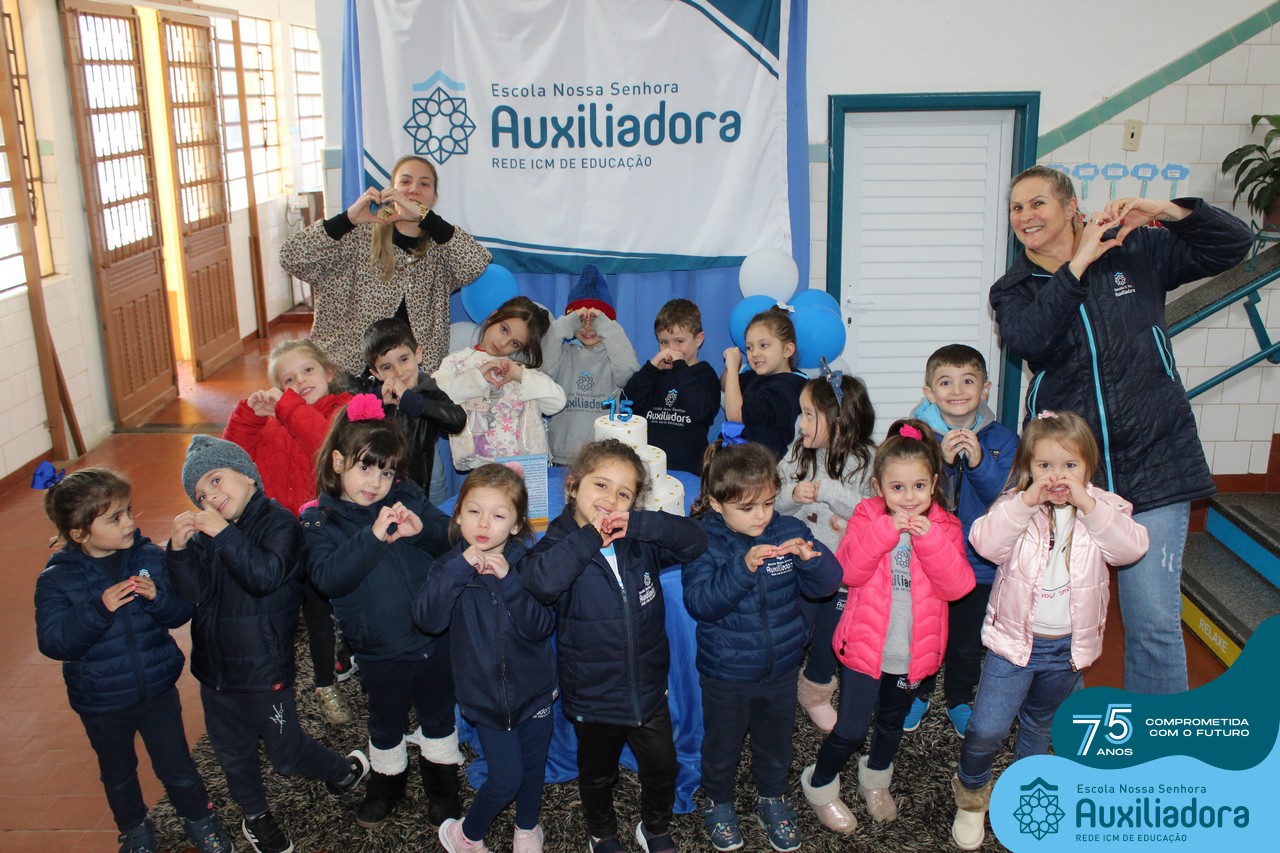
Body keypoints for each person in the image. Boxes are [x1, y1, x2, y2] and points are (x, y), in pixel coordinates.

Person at [989, 166, 1251, 695]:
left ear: (1071, 206)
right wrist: (1078, 265)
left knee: (1153, 621)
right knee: (1058, 622)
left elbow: (1234, 245)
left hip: (1157, 459)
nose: (1025, 216)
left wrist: (1167, 211)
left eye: (1037, 203)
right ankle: (1067, 730)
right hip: (1068, 476)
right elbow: (1032, 339)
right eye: (1017, 207)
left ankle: (1156, 736)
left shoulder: (1135, 250)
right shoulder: (1013, 289)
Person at [950, 411, 1149, 850]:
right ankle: (971, 797)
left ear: (1088, 468)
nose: (1057, 477)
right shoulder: (1015, 505)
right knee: (985, 729)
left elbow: (1131, 548)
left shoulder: (1106, 509)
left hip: (1069, 650)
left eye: (1069, 465)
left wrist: (1090, 507)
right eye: (1044, 465)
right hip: (1013, 646)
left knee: (1040, 725)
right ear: (1028, 467)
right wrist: (1025, 502)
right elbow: (984, 543)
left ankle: (1024, 792)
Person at [167, 436, 369, 853]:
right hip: (214, 670)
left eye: (216, 480)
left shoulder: (280, 523)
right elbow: (194, 593)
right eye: (200, 495)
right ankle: (255, 815)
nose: (210, 497)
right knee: (232, 752)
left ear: (248, 476)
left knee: (286, 752)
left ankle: (339, 770)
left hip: (264, 667)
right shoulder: (209, 533)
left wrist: (223, 534)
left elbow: (264, 576)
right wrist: (179, 550)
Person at [35, 468, 235, 853]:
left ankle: (200, 818)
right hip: (101, 702)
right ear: (79, 534)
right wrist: (97, 610)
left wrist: (158, 597)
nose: (129, 522)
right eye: (115, 518)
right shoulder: (57, 579)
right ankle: (134, 829)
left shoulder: (148, 557)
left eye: (128, 511)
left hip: (156, 691)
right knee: (118, 775)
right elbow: (54, 641)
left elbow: (179, 613)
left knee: (177, 765)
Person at [522, 439, 708, 853]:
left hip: (647, 690)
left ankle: (654, 827)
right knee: (597, 774)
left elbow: (695, 541)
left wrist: (639, 525)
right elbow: (542, 582)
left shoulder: (637, 541)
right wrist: (590, 536)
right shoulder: (557, 544)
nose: (610, 500)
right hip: (593, 695)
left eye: (623, 494)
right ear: (573, 486)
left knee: (663, 768)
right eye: (600, 485)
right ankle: (601, 833)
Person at [801, 420, 973, 836]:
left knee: (891, 725)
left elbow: (958, 587)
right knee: (851, 728)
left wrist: (930, 541)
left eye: (919, 486)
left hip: (912, 654)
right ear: (879, 488)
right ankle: (820, 784)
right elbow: (848, 572)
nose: (909, 498)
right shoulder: (867, 516)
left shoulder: (945, 527)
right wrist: (883, 531)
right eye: (897, 488)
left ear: (933, 485)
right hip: (865, 648)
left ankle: (876, 778)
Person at [301, 397, 460, 830]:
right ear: (338, 462)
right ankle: (387, 784)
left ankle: (443, 787)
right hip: (380, 649)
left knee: (439, 716)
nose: (376, 482)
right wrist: (371, 538)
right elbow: (328, 578)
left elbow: (451, 538)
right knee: (385, 721)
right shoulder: (320, 521)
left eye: (386, 472)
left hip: (435, 636)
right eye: (365, 468)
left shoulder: (407, 495)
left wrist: (422, 531)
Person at [685, 441, 842, 852]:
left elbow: (829, 584)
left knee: (776, 743)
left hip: (782, 667)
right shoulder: (703, 540)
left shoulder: (790, 530)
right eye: (747, 507)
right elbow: (700, 602)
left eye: (769, 503)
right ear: (716, 504)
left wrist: (811, 560)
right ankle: (718, 800)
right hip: (726, 671)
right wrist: (743, 568)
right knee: (722, 744)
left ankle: (772, 796)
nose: (761, 515)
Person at [415, 464, 557, 853]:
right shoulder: (447, 567)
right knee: (506, 778)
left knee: (533, 768)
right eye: (474, 511)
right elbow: (427, 620)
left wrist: (511, 582)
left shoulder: (526, 565)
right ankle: (465, 835)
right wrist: (458, 571)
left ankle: (526, 828)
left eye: (498, 515)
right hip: (486, 698)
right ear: (458, 514)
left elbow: (540, 626)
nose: (483, 523)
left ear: (516, 525)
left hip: (536, 691)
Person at [222, 337, 355, 726]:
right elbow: (232, 461)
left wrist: (288, 406)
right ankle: (306, 683)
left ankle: (335, 673)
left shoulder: (345, 411)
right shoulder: (273, 421)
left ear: (328, 373)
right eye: (288, 380)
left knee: (331, 608)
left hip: (328, 535)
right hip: (281, 539)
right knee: (292, 614)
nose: (300, 383)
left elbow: (326, 448)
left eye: (307, 371)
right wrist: (249, 415)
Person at [279, 155, 492, 382]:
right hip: (347, 372)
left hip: (414, 376)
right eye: (405, 182)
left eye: (424, 184)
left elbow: (477, 263)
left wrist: (426, 218)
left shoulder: (441, 248)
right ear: (391, 191)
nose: (414, 190)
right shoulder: (358, 235)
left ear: (434, 197)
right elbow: (291, 257)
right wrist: (347, 219)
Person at [904, 344, 1019, 737]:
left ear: (985, 389)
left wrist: (980, 462)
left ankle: (959, 698)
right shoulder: (915, 437)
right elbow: (911, 495)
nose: (957, 391)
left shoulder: (1004, 439)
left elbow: (1004, 497)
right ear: (929, 391)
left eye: (968, 381)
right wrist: (942, 462)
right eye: (946, 382)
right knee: (922, 633)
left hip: (979, 564)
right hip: (926, 560)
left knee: (967, 641)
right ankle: (917, 692)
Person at [775, 367, 877, 734]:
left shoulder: (866, 460)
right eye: (801, 413)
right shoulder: (798, 452)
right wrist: (792, 495)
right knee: (791, 631)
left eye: (808, 415)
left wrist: (830, 491)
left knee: (829, 640)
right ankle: (778, 687)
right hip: (798, 567)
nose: (800, 423)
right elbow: (773, 503)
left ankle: (815, 692)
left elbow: (872, 512)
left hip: (843, 575)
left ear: (838, 424)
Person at [434, 296, 565, 469]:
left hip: (521, 468)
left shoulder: (518, 371)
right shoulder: (456, 362)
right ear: (493, 317)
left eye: (514, 343)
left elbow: (557, 402)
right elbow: (437, 401)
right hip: (480, 466)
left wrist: (519, 374)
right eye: (504, 329)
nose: (503, 343)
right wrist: (476, 378)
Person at [542, 264, 640, 465]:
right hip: (563, 456)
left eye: (594, 320)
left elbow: (628, 377)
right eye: (581, 320)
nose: (587, 328)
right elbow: (543, 373)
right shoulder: (563, 353)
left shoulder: (617, 355)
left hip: (606, 457)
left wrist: (604, 324)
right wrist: (565, 325)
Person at [362, 317, 466, 502]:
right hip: (384, 487)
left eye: (403, 360)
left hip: (427, 489)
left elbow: (457, 420)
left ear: (417, 354)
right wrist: (377, 402)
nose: (399, 372)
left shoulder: (428, 391)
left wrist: (415, 403)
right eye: (387, 367)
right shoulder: (374, 397)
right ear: (376, 373)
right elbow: (352, 431)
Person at [623, 298, 721, 475]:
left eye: (679, 341)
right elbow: (626, 405)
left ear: (699, 339)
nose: (671, 349)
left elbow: (702, 412)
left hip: (689, 470)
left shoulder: (705, 374)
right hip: (648, 468)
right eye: (664, 342)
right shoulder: (654, 374)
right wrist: (650, 369)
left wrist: (681, 368)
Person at [722, 305, 808, 460]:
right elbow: (725, 385)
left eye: (764, 345)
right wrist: (730, 369)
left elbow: (735, 416)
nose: (755, 353)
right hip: (742, 460)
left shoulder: (785, 389)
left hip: (760, 466)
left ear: (787, 350)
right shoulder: (760, 376)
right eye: (749, 347)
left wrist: (733, 368)